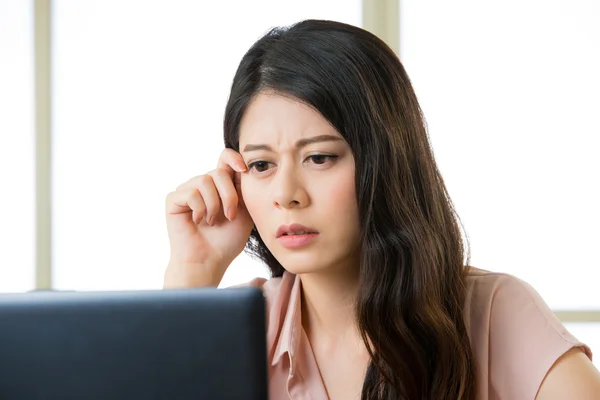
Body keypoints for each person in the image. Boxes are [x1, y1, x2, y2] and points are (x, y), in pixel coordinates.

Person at [163, 19, 599, 400]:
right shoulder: (239, 329)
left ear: (385, 160)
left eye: (319, 158)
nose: (287, 194)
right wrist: (192, 270)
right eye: (261, 164)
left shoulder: (492, 312)